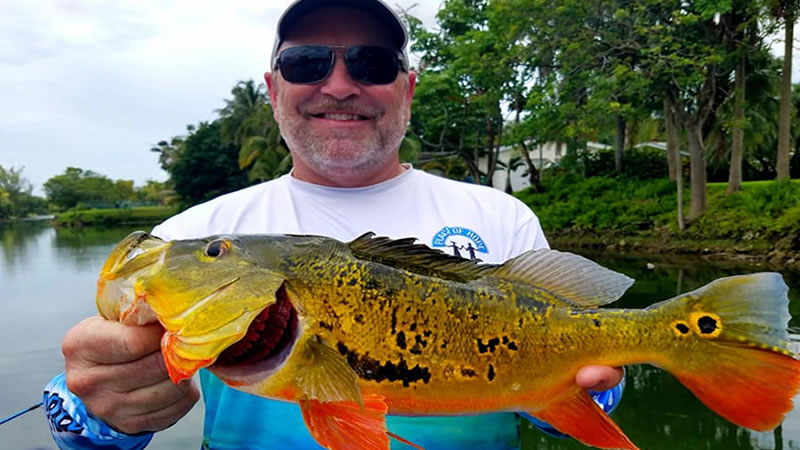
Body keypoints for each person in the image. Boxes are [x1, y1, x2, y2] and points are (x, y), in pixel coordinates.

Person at [45, 0, 624, 448]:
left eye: (372, 63)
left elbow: (573, 397)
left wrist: (598, 385)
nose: (340, 85)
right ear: (273, 88)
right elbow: (83, 419)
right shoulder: (196, 233)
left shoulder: (500, 215)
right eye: (307, 62)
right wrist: (99, 409)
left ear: (408, 87)